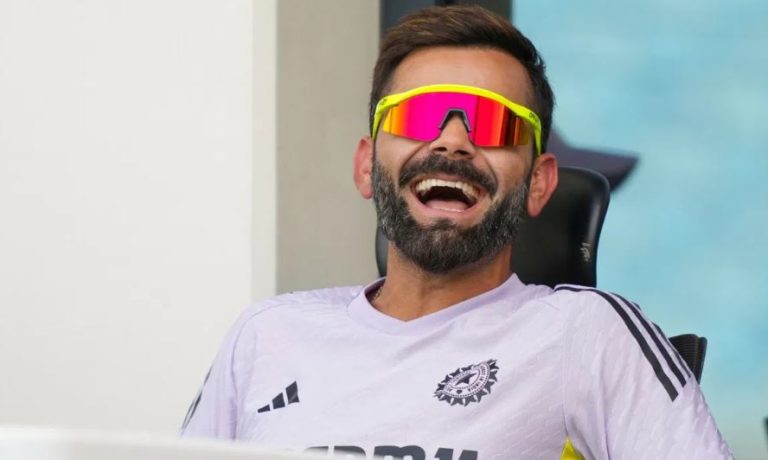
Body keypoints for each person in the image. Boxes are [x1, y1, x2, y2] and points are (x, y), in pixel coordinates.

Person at [181, 5, 732, 459]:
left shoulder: (587, 333)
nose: (452, 142)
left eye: (494, 123)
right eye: (418, 116)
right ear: (367, 166)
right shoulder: (265, 334)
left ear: (539, 183)